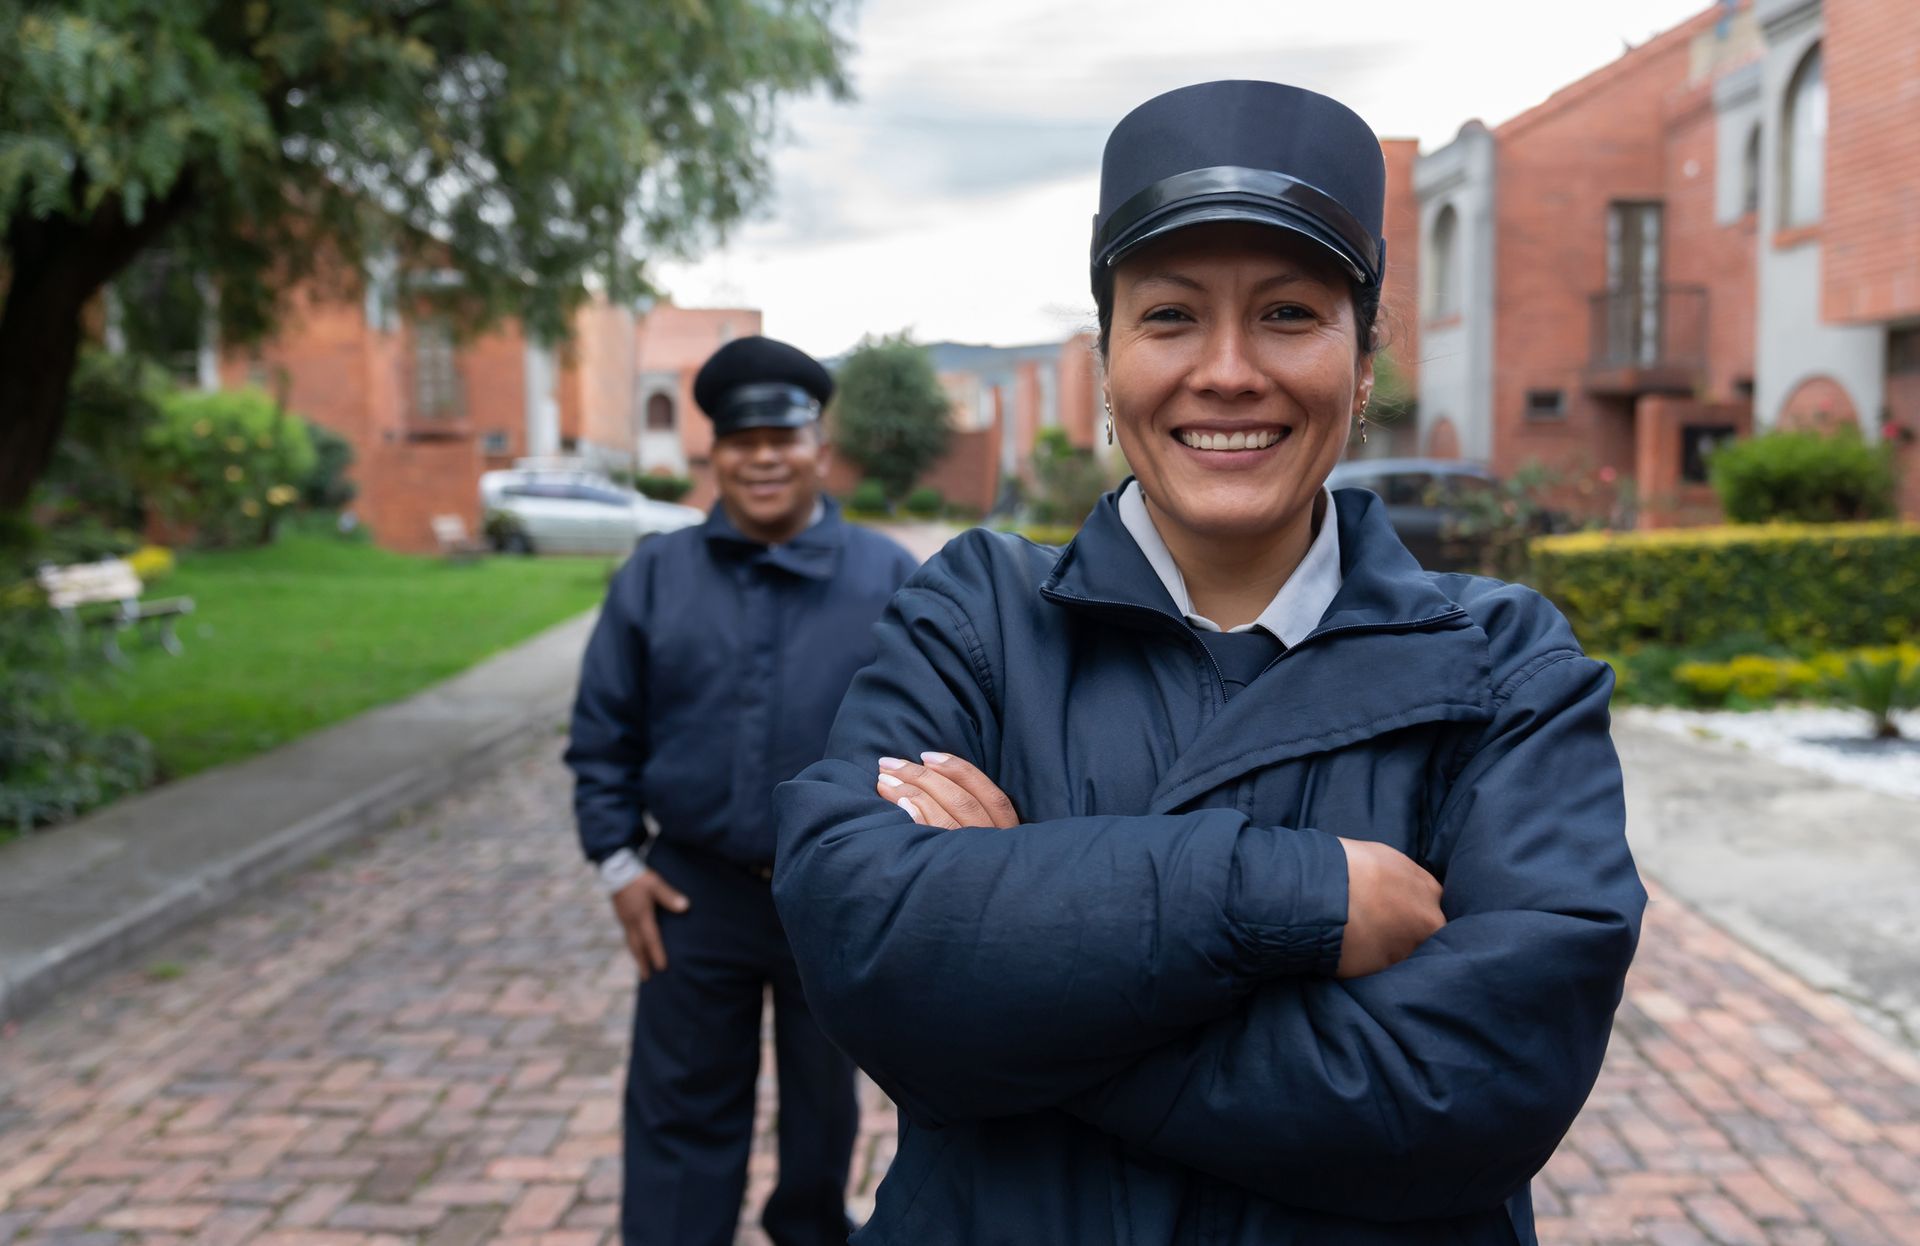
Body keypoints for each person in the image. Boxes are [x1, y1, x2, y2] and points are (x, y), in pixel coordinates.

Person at [772, 81, 1645, 1245]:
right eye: (1171, 316)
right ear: (1107, 355)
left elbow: (1468, 1087)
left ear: (1366, 356)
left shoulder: (1503, 666)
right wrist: (1295, 897)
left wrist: (1019, 991)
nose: (1228, 371)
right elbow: (861, 935)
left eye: (1289, 313)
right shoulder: (977, 616)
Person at [566, 335, 919, 1246]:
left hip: (835, 893)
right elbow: (603, 728)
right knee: (681, 1117)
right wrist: (614, 861)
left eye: (783, 436)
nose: (763, 456)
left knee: (823, 1115)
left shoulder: (888, 580)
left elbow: (937, 734)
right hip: (694, 893)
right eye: (741, 439)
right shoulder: (655, 576)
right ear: (714, 454)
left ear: (819, 450)